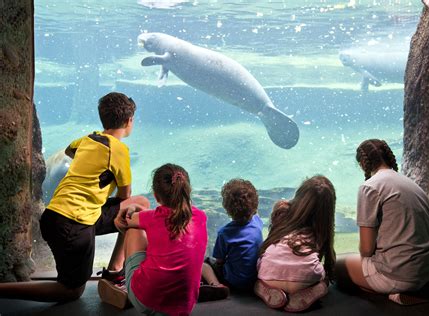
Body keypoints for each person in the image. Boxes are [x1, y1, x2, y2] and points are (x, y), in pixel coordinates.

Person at [0, 92, 150, 302]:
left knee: (139, 204)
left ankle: (115, 271)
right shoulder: (119, 150)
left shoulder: (88, 139)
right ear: (129, 121)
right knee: (71, 291)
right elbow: (125, 195)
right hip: (73, 224)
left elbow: (71, 151)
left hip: (58, 217)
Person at [335, 139, 429, 305]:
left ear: (363, 163)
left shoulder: (370, 187)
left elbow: (365, 249)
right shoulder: (413, 185)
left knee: (336, 267)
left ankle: (395, 292)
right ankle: (415, 289)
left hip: (399, 273)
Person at [99, 163, 208, 315]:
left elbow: (125, 220)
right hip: (185, 305)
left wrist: (131, 208)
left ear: (156, 196)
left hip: (148, 301)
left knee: (133, 230)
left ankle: (121, 279)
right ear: (187, 190)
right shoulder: (201, 217)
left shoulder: (152, 218)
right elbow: (161, 218)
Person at [254, 175, 336, 312]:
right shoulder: (321, 227)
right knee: (323, 280)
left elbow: (270, 242)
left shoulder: (281, 210)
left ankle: (263, 288)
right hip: (304, 282)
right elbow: (323, 257)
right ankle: (313, 290)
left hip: (268, 277)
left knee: (263, 262)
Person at [198, 178, 263, 302]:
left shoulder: (224, 233)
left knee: (204, 264)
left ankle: (216, 285)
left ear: (226, 208)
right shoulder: (258, 223)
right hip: (254, 278)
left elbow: (219, 261)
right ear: (255, 206)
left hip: (233, 281)